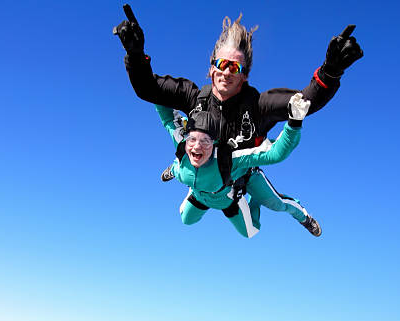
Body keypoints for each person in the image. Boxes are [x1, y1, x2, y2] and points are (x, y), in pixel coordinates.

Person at [114, 8, 362, 235]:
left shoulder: (258, 107)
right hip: (206, 167)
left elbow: (304, 104)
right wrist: (135, 56)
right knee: (186, 150)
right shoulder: (193, 97)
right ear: (211, 68)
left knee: (274, 204)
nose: (226, 72)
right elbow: (148, 90)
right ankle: (180, 170)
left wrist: (331, 72)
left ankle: (302, 215)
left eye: (235, 67)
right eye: (221, 64)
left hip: (245, 171)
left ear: (244, 76)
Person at [157, 93, 315, 238]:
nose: (197, 146)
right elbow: (166, 115)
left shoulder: (228, 157)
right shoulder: (182, 145)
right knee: (186, 219)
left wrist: (294, 122)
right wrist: (141, 73)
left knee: (268, 213)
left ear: (214, 144)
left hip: (236, 189)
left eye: (205, 141)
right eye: (192, 139)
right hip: (202, 194)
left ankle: (303, 217)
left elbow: (275, 154)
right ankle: (175, 169)